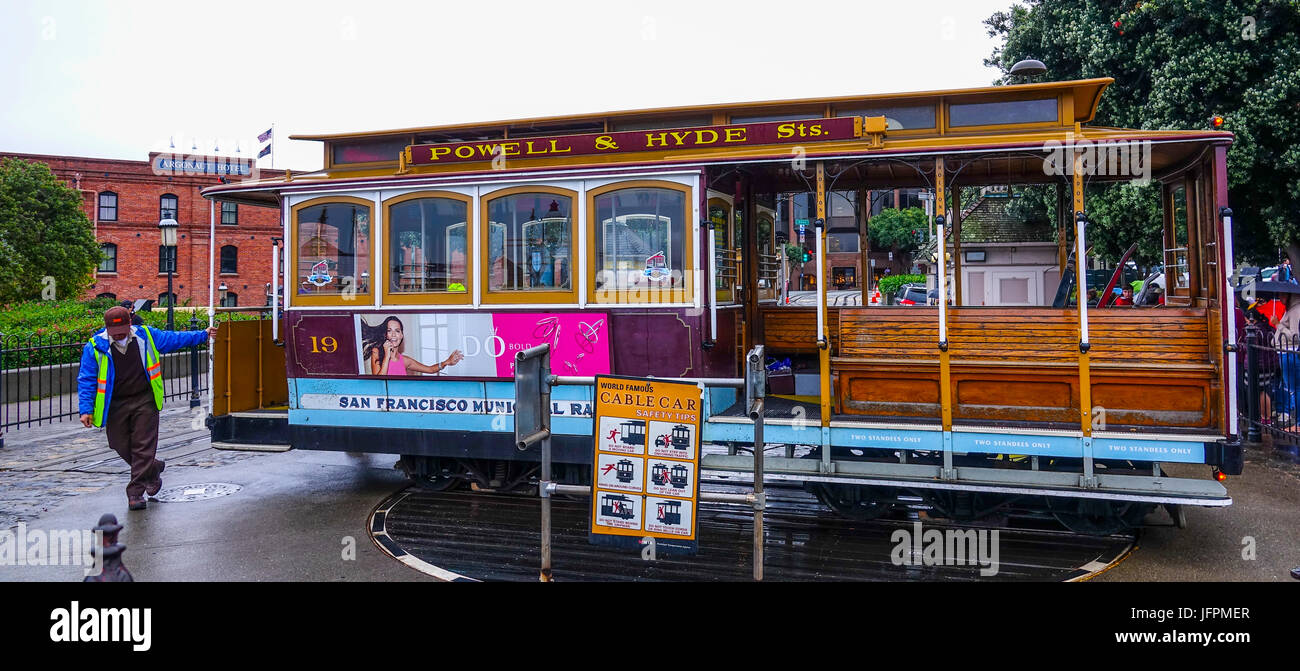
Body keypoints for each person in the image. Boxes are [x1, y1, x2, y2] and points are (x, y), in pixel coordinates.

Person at [77, 307, 217, 510]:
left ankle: (135, 493)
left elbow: (174, 339)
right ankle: (153, 468)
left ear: (130, 324)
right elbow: (87, 378)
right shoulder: (95, 346)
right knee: (118, 443)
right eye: (114, 331)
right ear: (106, 329)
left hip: (145, 399)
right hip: (115, 404)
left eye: (123, 329)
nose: (119, 334)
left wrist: (202, 334)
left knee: (143, 446)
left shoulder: (146, 336)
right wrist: (85, 409)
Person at [363, 316, 463, 376]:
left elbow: (430, 369)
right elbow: (378, 382)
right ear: (385, 334)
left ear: (402, 335)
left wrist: (447, 362)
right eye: (389, 331)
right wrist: (387, 356)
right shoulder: (376, 352)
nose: (393, 334)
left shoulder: (405, 361)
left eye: (397, 331)